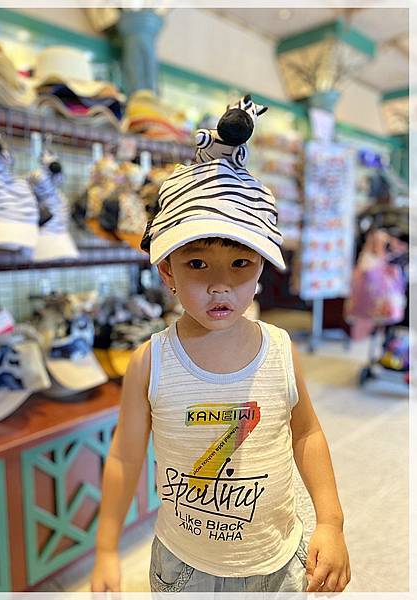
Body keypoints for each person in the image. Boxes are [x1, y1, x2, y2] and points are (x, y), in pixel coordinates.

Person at [91, 95, 350, 593]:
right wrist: (105, 548)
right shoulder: (151, 362)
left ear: (261, 265)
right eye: (196, 263)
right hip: (184, 566)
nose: (219, 285)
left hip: (278, 559)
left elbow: (307, 433)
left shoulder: (280, 350)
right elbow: (124, 456)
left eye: (240, 264)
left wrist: (331, 522)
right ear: (166, 270)